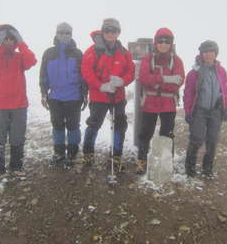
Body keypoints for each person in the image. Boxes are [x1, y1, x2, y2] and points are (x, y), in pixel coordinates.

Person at [0, 24, 37, 178]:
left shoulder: (20, 57)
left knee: (18, 137)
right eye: (4, 39)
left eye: (11, 39)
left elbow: (32, 60)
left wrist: (21, 43)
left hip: (19, 105)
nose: (8, 42)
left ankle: (16, 166)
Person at [81, 18, 135, 169]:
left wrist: (122, 81)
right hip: (99, 96)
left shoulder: (124, 52)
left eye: (114, 30)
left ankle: (116, 156)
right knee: (94, 124)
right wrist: (100, 85)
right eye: (108, 30)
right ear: (103, 31)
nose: (111, 33)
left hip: (118, 96)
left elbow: (131, 71)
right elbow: (86, 71)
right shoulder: (92, 51)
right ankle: (88, 153)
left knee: (119, 125)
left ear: (118, 32)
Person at [136, 28, 185, 174]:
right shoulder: (147, 59)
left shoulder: (177, 61)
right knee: (145, 133)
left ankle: (165, 164)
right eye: (160, 41)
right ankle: (141, 162)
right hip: (150, 103)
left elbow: (179, 81)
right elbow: (143, 79)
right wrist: (165, 79)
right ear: (155, 42)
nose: (163, 44)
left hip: (168, 104)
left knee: (167, 134)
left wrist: (155, 81)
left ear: (171, 44)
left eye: (167, 41)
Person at [39, 22, 87, 167]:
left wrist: (85, 94)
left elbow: (84, 75)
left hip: (74, 97)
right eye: (62, 32)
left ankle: (72, 154)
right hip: (55, 97)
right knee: (57, 126)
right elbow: (43, 75)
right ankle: (59, 153)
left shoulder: (78, 53)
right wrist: (43, 92)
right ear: (56, 33)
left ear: (71, 35)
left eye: (67, 33)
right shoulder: (49, 53)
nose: (64, 35)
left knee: (73, 126)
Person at [183, 40, 227, 179]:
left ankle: (207, 168)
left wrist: (225, 106)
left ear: (216, 53)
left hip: (216, 110)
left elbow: (225, 89)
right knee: (196, 139)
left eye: (211, 52)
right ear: (201, 54)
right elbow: (188, 94)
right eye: (205, 52)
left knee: (212, 140)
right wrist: (188, 112)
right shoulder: (194, 73)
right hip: (199, 110)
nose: (208, 55)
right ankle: (190, 167)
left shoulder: (221, 71)